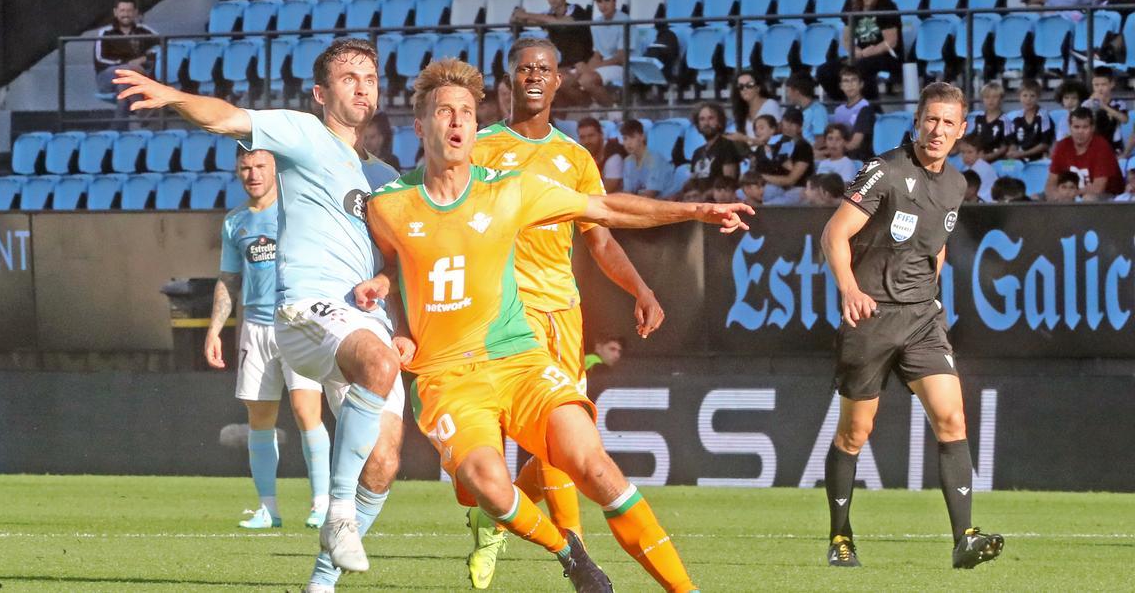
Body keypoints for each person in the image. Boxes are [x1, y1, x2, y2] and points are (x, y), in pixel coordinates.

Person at [359, 57, 752, 592]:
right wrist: (394, 315)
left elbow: (606, 210)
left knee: (594, 465)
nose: (455, 122)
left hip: (519, 358)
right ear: (420, 125)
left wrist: (693, 212)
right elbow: (390, 267)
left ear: (477, 127)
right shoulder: (387, 205)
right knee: (491, 489)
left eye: (466, 113)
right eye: (443, 111)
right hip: (448, 377)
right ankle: (570, 552)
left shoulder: (509, 188)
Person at [111, 39, 408, 582]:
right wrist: (172, 95)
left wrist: (389, 289)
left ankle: (321, 579)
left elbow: (401, 262)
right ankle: (335, 510)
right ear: (321, 93)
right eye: (349, 77)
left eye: (370, 76)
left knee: (385, 460)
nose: (363, 85)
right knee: (377, 367)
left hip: (364, 322)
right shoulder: (305, 133)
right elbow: (226, 119)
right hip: (306, 308)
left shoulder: (387, 178)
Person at [466, 37, 666, 590]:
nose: (534, 75)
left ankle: (491, 517)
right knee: (552, 439)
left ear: (558, 82)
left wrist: (641, 290)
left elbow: (600, 241)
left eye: (545, 69)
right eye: (525, 67)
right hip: (505, 313)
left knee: (563, 445)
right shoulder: (479, 148)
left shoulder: (575, 158)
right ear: (509, 79)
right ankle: (575, 556)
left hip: (564, 314)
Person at [820, 81, 1005, 570]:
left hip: (922, 317)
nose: (938, 129)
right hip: (871, 317)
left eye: (949, 122)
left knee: (952, 419)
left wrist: (928, 294)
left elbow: (936, 247)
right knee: (855, 434)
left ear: (962, 130)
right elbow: (834, 232)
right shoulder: (883, 171)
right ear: (916, 121)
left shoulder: (956, 185)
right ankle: (840, 537)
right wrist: (850, 289)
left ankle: (964, 538)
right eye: (931, 119)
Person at [207, 147, 331, 532]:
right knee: (259, 419)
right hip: (255, 328)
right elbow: (229, 279)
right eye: (245, 167)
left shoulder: (296, 211)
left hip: (296, 321)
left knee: (306, 410)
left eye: (260, 166)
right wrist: (215, 329)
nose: (253, 174)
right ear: (237, 171)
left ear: (274, 168)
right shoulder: (236, 222)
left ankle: (323, 502)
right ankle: (268, 508)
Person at [817, 0, 901, 101]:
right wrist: (854, 50)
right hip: (861, 55)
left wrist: (870, 52)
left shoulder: (886, 6)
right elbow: (846, 38)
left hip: (886, 55)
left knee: (861, 67)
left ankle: (871, 107)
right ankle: (845, 103)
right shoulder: (852, 6)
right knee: (824, 70)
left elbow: (891, 41)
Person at [511, 0, 594, 103]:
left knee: (558, 81)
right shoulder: (547, 15)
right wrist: (516, 16)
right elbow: (524, 22)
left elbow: (561, 23)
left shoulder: (576, 10)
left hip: (584, 62)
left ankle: (587, 105)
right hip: (564, 64)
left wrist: (526, 15)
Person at [94, 0, 158, 123]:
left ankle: (119, 132)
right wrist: (127, 65)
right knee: (127, 72)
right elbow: (100, 58)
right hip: (107, 78)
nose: (126, 14)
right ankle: (141, 109)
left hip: (132, 79)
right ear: (115, 12)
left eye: (129, 11)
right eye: (122, 10)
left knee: (123, 89)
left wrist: (143, 58)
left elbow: (164, 46)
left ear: (135, 12)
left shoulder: (144, 31)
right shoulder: (105, 33)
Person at [1046, 107, 1124, 200]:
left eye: (1085, 127)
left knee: (1088, 199)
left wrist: (1070, 194)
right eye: (1076, 127)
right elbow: (1051, 182)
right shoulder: (1062, 146)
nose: (1080, 132)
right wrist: (1056, 195)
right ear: (1070, 127)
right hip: (1071, 192)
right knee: (1038, 197)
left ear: (1092, 128)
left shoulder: (1102, 147)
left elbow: (1098, 188)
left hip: (1107, 196)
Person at [575, 0, 629, 107]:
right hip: (604, 66)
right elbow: (597, 54)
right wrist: (587, 67)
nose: (603, 5)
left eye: (607, 0)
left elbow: (621, 57)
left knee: (586, 80)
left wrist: (596, 67)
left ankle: (614, 111)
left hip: (625, 67)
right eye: (599, 1)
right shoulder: (596, 23)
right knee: (567, 79)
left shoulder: (625, 20)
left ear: (614, 1)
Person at [760, 108, 814, 205]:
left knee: (767, 205)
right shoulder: (776, 143)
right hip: (777, 187)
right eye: (786, 121)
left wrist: (761, 177)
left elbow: (791, 180)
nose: (788, 126)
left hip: (798, 189)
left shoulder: (804, 147)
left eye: (793, 123)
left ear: (800, 127)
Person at [831, 67, 879, 161]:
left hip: (859, 158)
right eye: (846, 81)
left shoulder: (866, 108)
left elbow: (855, 144)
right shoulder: (838, 110)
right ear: (841, 86)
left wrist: (831, 150)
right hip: (841, 153)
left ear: (861, 84)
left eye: (853, 80)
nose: (850, 85)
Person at [688, 101, 741, 184]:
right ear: (698, 124)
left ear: (720, 122)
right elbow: (692, 183)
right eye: (702, 119)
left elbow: (729, 183)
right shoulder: (697, 152)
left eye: (711, 118)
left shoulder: (727, 146)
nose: (706, 123)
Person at [620, 119, 675, 198]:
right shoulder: (627, 162)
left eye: (632, 137)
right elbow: (627, 193)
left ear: (642, 137)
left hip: (666, 202)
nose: (628, 143)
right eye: (625, 138)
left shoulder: (655, 159)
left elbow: (650, 194)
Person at [728, 71, 783, 147]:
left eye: (749, 85)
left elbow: (774, 137)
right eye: (740, 86)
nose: (744, 89)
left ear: (758, 88)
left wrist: (744, 139)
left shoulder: (770, 104)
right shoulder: (740, 110)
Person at [1082, 66, 1129, 153]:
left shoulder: (1119, 104)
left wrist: (1104, 106)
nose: (1100, 88)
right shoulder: (1086, 104)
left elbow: (1124, 119)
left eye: (1104, 84)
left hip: (1114, 146)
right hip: (1092, 145)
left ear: (1112, 84)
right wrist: (1091, 103)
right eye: (1096, 85)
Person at [1004, 79, 1055, 161]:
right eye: (1025, 95)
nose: (1028, 99)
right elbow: (1013, 141)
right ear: (1019, 97)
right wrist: (1012, 151)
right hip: (1019, 158)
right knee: (1005, 167)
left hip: (1038, 159)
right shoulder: (1016, 118)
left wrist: (1023, 154)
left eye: (1032, 96)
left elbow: (1045, 144)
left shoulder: (1044, 117)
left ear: (1038, 97)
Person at [964, 82, 1011, 162]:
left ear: (1001, 99)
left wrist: (989, 156)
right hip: (980, 156)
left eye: (995, 97)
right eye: (987, 97)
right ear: (983, 99)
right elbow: (975, 136)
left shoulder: (1004, 120)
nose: (991, 100)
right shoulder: (979, 119)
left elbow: (1006, 146)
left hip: (998, 159)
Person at [579, 116, 625, 193]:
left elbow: (605, 191)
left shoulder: (613, 155)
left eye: (591, 136)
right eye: (582, 137)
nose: (587, 141)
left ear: (601, 135)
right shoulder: (580, 153)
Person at [786, 72, 829, 146]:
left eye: (788, 91)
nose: (787, 95)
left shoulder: (818, 110)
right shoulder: (795, 110)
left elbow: (821, 141)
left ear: (797, 92)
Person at [958, 137, 997, 203]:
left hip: (986, 204)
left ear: (980, 153)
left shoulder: (982, 168)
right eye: (962, 152)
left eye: (970, 152)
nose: (965, 156)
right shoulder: (966, 168)